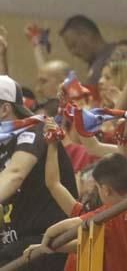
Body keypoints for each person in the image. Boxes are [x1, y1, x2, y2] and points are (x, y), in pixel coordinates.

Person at [0, 75, 78, 269]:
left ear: (4, 109)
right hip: (13, 245)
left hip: (49, 240)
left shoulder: (37, 128)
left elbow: (15, 174)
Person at [27, 152, 127, 271]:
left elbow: (70, 224)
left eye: (97, 187)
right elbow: (84, 243)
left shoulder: (108, 216)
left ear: (105, 190)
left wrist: (45, 241)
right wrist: (48, 247)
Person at [58, 15, 115, 86]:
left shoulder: (116, 56)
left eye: (74, 45)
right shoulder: (95, 64)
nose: (73, 53)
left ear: (86, 35)